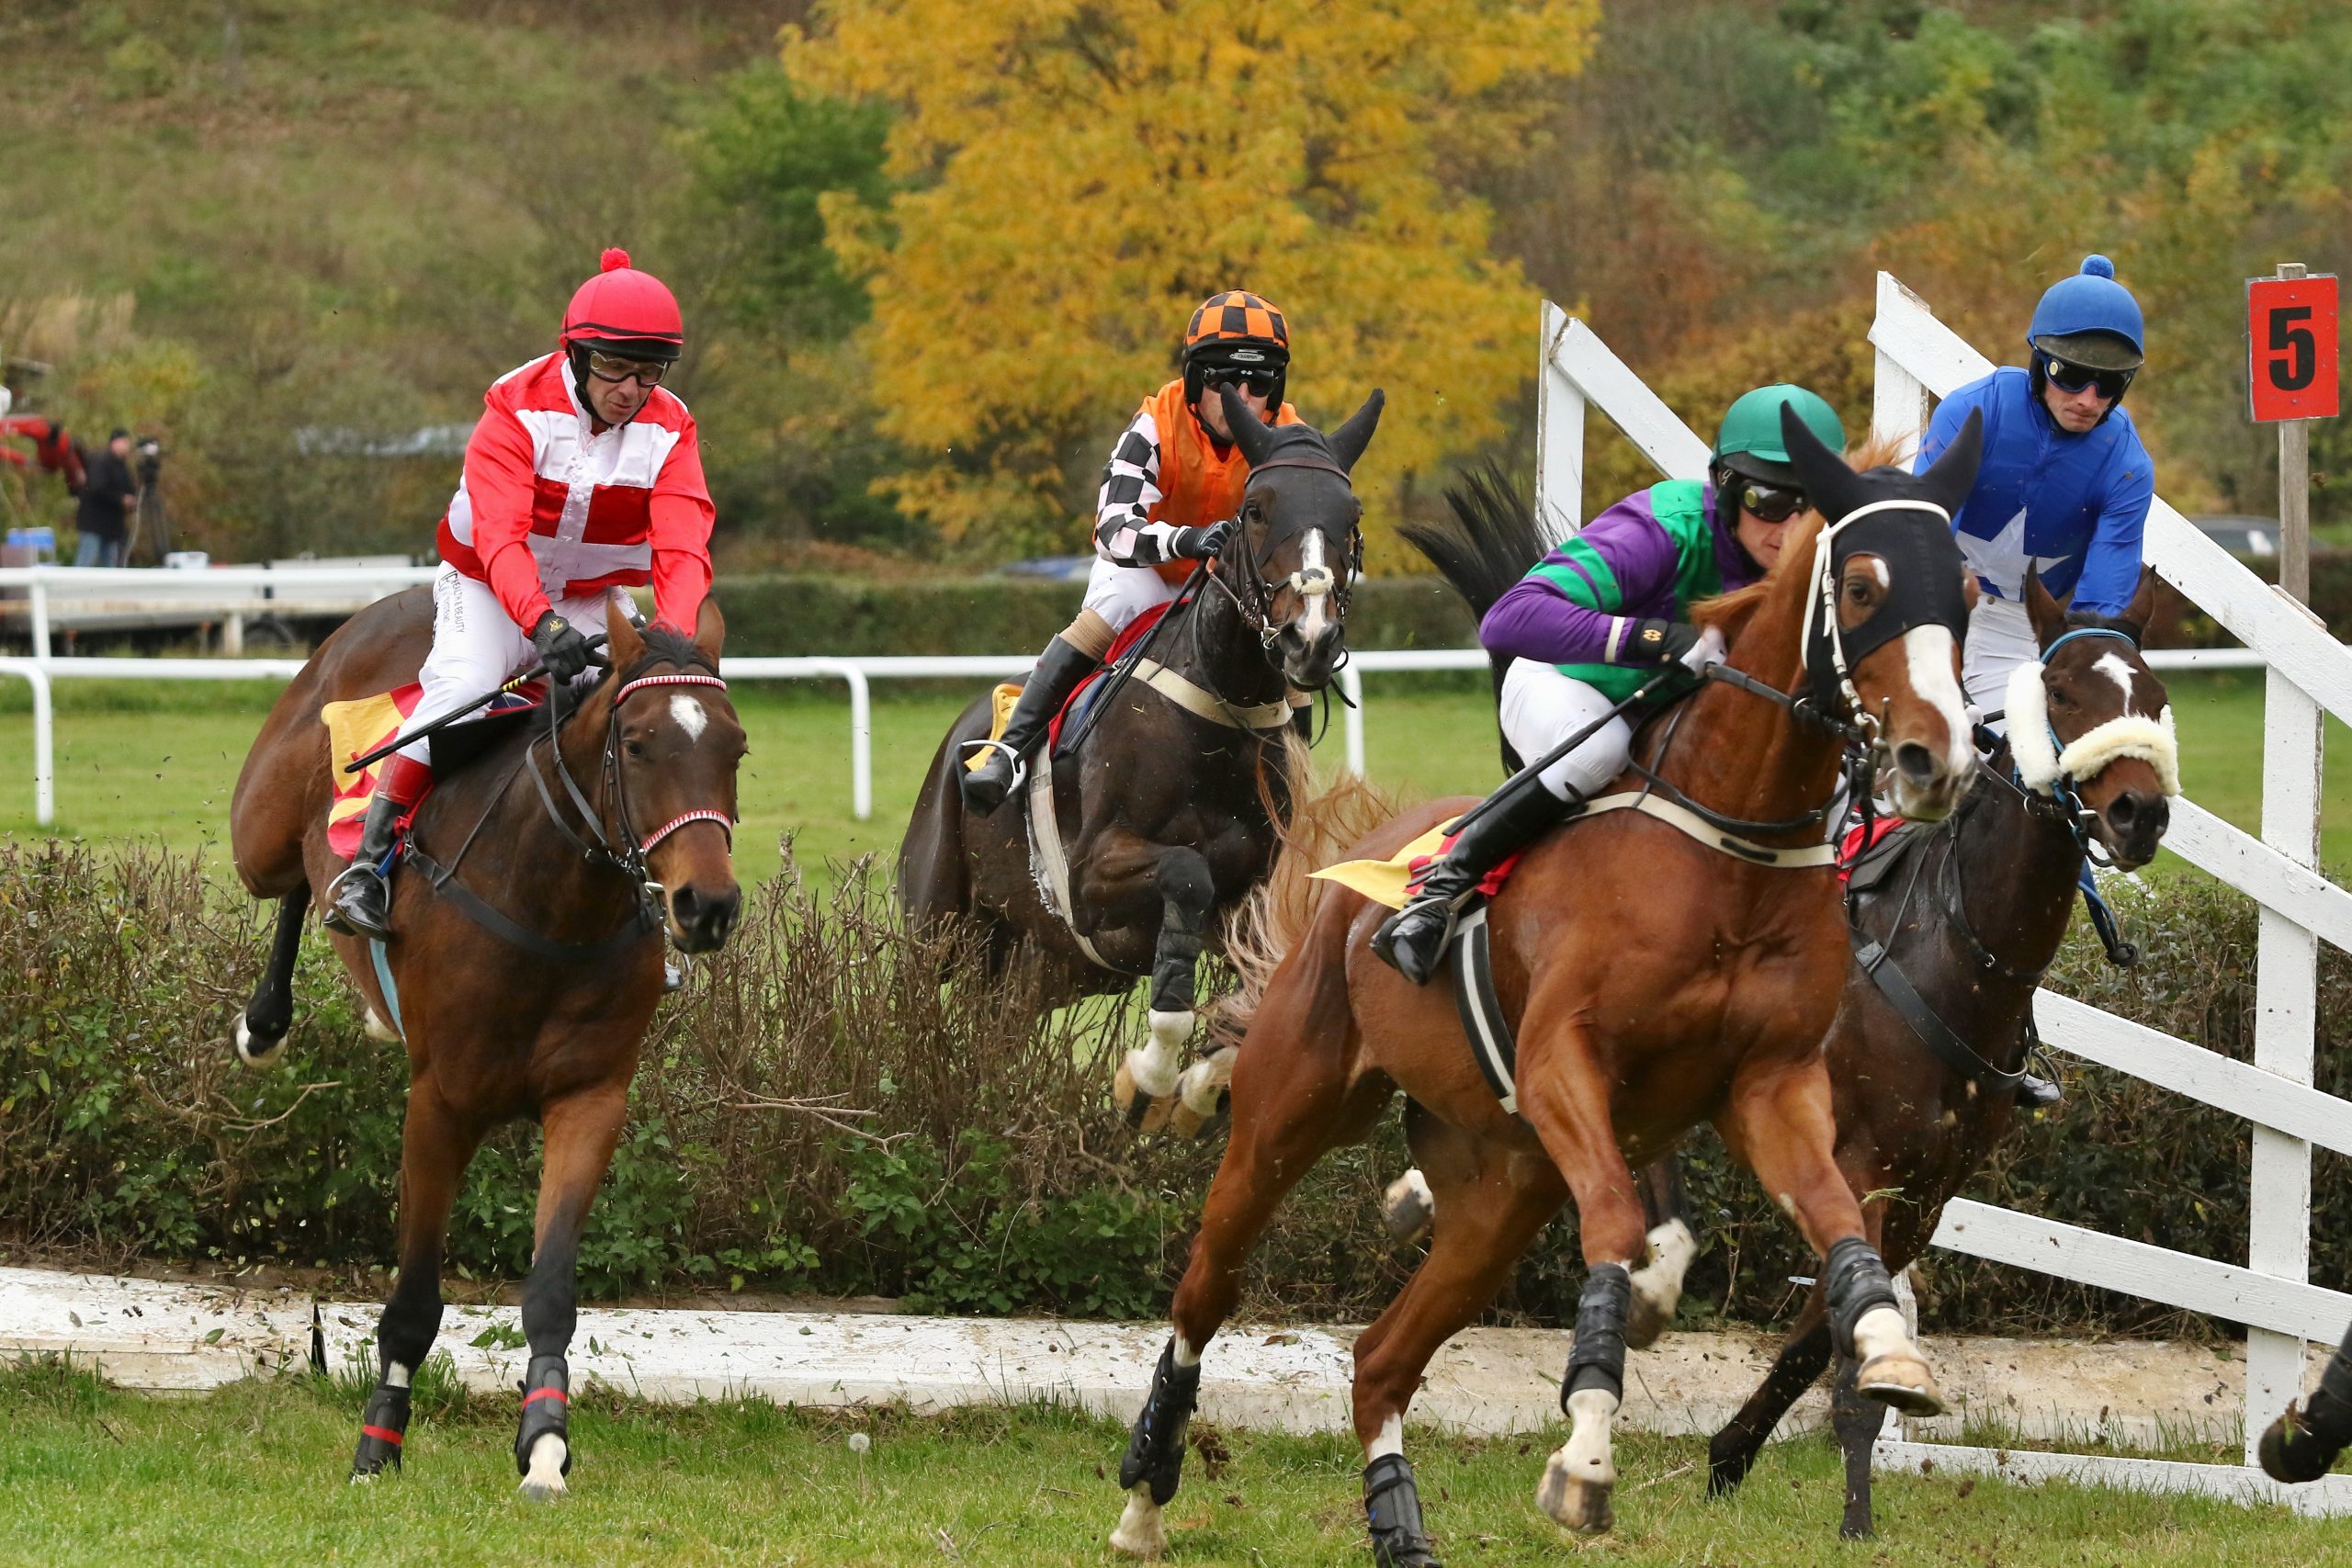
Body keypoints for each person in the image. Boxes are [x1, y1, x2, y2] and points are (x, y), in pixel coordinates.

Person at [1372, 385, 1849, 985]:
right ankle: (1439, 891)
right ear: (1725, 487)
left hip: (1679, 724)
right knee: (1601, 751)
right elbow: (1510, 618)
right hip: (1567, 689)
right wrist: (1658, 641)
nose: (1794, 528)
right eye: (1771, 501)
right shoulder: (1664, 527)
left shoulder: (1830, 563)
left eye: (1816, 505)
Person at [324, 248, 716, 939]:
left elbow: (682, 548)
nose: (632, 388)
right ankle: (371, 864)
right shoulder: (515, 407)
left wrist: (671, 642)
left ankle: (641, 896)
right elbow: (502, 539)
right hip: (488, 584)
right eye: (616, 368)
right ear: (576, 353)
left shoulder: (671, 427)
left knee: (645, 720)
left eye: (650, 372)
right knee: (464, 682)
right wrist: (539, 625)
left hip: (594, 598)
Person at [958, 290, 1306, 814]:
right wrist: (1186, 539)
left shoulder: (1290, 436)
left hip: (1227, 581)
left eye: (1258, 382)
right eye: (1223, 380)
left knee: (1295, 627)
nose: (1242, 396)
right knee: (1117, 605)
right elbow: (1112, 530)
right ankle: (1009, 750)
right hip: (1145, 569)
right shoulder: (1154, 424)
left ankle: (1298, 778)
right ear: (1194, 381)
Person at [1924, 254, 2153, 717]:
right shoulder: (1973, 412)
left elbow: (2099, 616)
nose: (2088, 400)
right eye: (2069, 375)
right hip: (1934, 603)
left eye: (2108, 384)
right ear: (2038, 360)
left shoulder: (2127, 465)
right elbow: (1922, 539)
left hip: (2022, 628)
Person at [73, 429, 137, 568]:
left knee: (109, 566)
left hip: (111, 526)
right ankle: (73, 588)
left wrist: (132, 501)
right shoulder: (101, 460)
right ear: (115, 442)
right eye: (124, 442)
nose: (127, 446)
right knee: (85, 561)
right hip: (93, 523)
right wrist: (121, 499)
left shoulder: (122, 465)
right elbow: (97, 487)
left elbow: (129, 488)